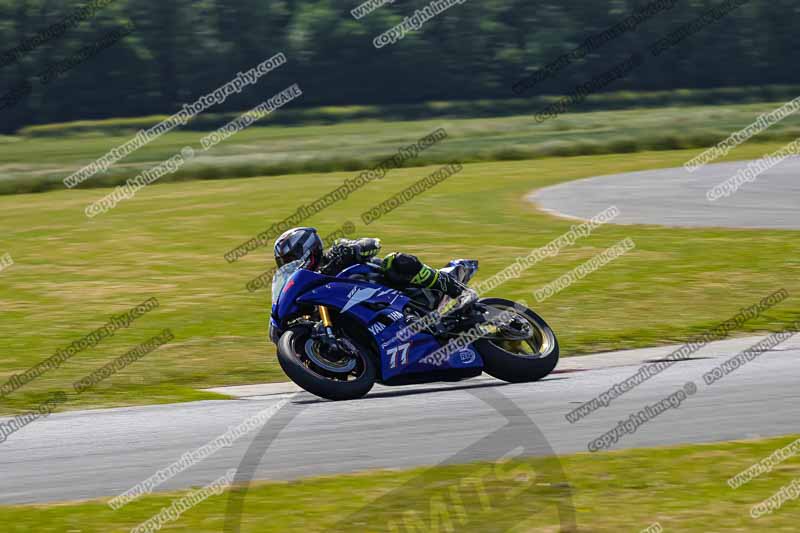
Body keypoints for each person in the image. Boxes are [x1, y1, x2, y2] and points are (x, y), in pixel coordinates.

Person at [273, 227, 466, 299]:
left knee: (395, 261)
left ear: (308, 249)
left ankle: (452, 286)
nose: (291, 265)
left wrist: (354, 249)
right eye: (286, 262)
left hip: (395, 288)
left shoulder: (336, 252)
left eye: (292, 259)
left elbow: (374, 243)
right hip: (367, 307)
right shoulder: (309, 285)